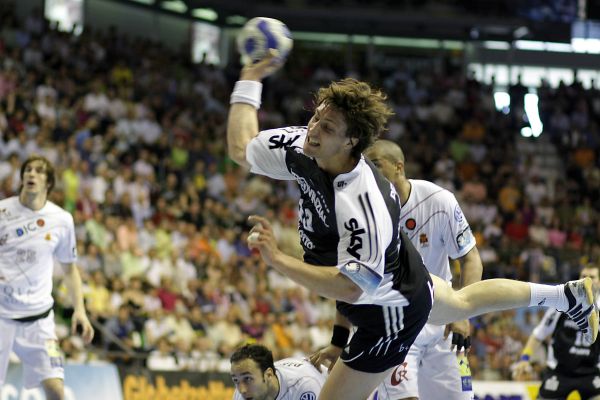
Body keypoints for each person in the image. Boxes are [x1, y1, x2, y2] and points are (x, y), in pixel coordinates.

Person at [226, 53, 597, 400]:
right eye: (316, 117)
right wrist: (250, 77)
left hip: (388, 313)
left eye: (327, 126)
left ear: (351, 140)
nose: (313, 130)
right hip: (404, 272)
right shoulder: (301, 145)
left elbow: (350, 288)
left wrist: (278, 260)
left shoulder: (362, 202)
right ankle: (565, 296)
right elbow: (241, 148)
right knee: (462, 302)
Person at [364, 139, 480, 400]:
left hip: (443, 320)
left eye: (376, 165)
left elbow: (471, 258)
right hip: (396, 325)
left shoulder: (439, 200)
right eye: (365, 167)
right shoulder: (363, 213)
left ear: (399, 167)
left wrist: (462, 313)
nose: (369, 172)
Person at [0, 155, 94, 400]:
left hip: (39, 320)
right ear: (22, 178)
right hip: (1, 315)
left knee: (56, 390)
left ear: (49, 183)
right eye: (28, 170)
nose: (32, 174)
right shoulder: (2, 212)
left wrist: (80, 310)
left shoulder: (62, 220)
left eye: (39, 171)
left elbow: (70, 270)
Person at [512, 264, 600, 400]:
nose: (587, 280)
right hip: (560, 371)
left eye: (592, 277)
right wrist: (525, 359)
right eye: (584, 276)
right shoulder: (564, 303)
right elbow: (538, 334)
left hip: (591, 371)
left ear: (599, 281)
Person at [230, 343, 326, 400]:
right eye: (236, 380)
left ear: (268, 375)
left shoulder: (303, 385)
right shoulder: (240, 396)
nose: (242, 390)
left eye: (248, 379)